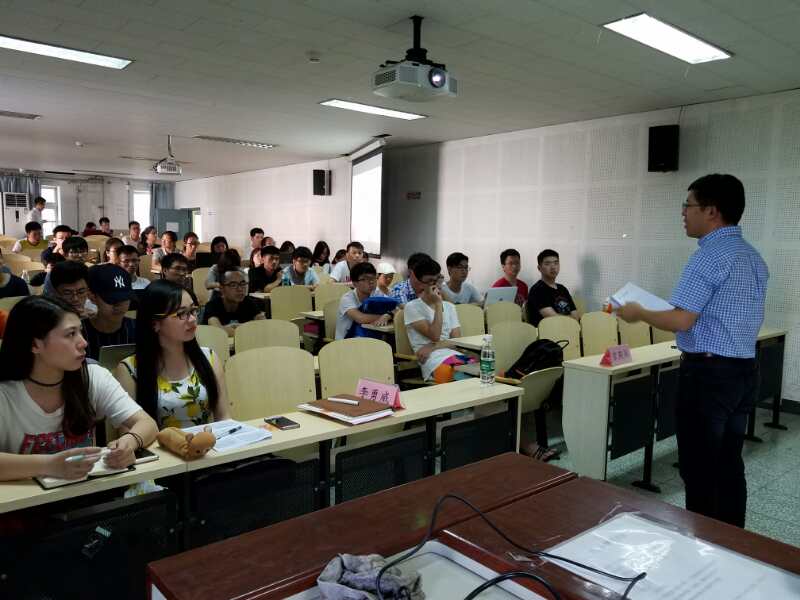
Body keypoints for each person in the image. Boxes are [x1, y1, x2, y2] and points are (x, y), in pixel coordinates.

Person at [617, 174, 768, 528]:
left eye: (688, 205)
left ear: (711, 211)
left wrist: (639, 312)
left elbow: (682, 320)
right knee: (729, 465)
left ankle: (702, 545)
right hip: (743, 372)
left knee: (700, 470)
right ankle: (733, 543)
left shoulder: (709, 256)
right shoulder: (753, 257)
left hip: (709, 377)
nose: (683, 213)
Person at [0, 296, 158, 482]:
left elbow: (147, 424)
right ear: (35, 344)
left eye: (80, 332)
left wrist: (129, 443)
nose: (83, 342)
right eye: (70, 334)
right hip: (27, 497)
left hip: (87, 493)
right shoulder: (5, 393)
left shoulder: (92, 376)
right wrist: (49, 465)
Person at [116, 280, 229, 429]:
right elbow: (129, 434)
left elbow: (224, 419)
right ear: (155, 323)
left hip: (208, 442)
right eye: (182, 313)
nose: (193, 319)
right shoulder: (129, 370)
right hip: (158, 444)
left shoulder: (209, 358)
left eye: (193, 310)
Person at [403, 257, 466, 383]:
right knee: (462, 376)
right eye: (430, 281)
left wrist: (432, 346)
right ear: (420, 283)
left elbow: (457, 342)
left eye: (437, 280)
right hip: (432, 361)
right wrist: (438, 304)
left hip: (453, 355)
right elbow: (435, 335)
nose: (435, 285)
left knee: (480, 370)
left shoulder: (450, 307)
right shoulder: (412, 307)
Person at [84, 264, 136, 360]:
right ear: (92, 296)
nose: (119, 305)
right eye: (112, 300)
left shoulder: (139, 329)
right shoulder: (79, 333)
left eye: (124, 298)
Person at [335, 262, 392, 339]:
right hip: (347, 341)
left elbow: (395, 308)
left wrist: (388, 315)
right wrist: (382, 316)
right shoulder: (347, 298)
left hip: (369, 339)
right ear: (354, 283)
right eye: (365, 279)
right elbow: (360, 318)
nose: (371, 282)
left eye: (373, 278)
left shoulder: (376, 293)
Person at [201, 268, 265, 337]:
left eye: (243, 284)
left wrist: (236, 327)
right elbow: (217, 331)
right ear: (222, 289)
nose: (240, 289)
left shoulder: (248, 302)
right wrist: (248, 327)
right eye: (233, 285)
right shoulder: (212, 305)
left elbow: (263, 324)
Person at [526, 249, 578, 326]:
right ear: (539, 268)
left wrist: (572, 320)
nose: (553, 267)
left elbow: (576, 316)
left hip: (568, 329)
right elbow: (553, 319)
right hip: (547, 331)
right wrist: (572, 320)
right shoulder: (537, 290)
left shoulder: (562, 289)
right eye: (547, 264)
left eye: (556, 263)